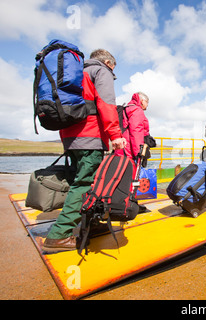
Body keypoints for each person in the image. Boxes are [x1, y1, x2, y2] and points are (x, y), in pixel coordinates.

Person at [43, 49, 126, 252]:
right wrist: (115, 134)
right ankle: (59, 235)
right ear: (108, 62)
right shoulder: (101, 71)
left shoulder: (77, 72)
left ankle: (91, 224)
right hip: (90, 136)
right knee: (86, 184)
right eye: (113, 68)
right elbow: (107, 104)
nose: (113, 72)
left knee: (79, 182)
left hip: (69, 135)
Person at [115, 92, 150, 165]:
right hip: (129, 150)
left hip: (121, 148)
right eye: (147, 102)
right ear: (142, 101)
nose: (147, 105)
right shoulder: (137, 110)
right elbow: (136, 132)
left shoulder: (127, 108)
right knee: (129, 173)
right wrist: (139, 152)